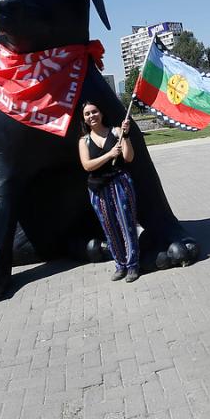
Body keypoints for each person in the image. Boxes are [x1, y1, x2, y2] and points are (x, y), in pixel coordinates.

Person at [78, 100, 140, 283]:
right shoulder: (84, 141)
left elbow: (129, 157)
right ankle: (120, 265)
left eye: (94, 111)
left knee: (127, 224)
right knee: (109, 227)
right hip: (98, 189)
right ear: (84, 118)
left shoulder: (116, 132)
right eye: (87, 114)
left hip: (120, 183)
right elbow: (87, 165)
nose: (92, 116)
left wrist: (126, 136)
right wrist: (110, 154)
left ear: (101, 113)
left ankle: (132, 265)